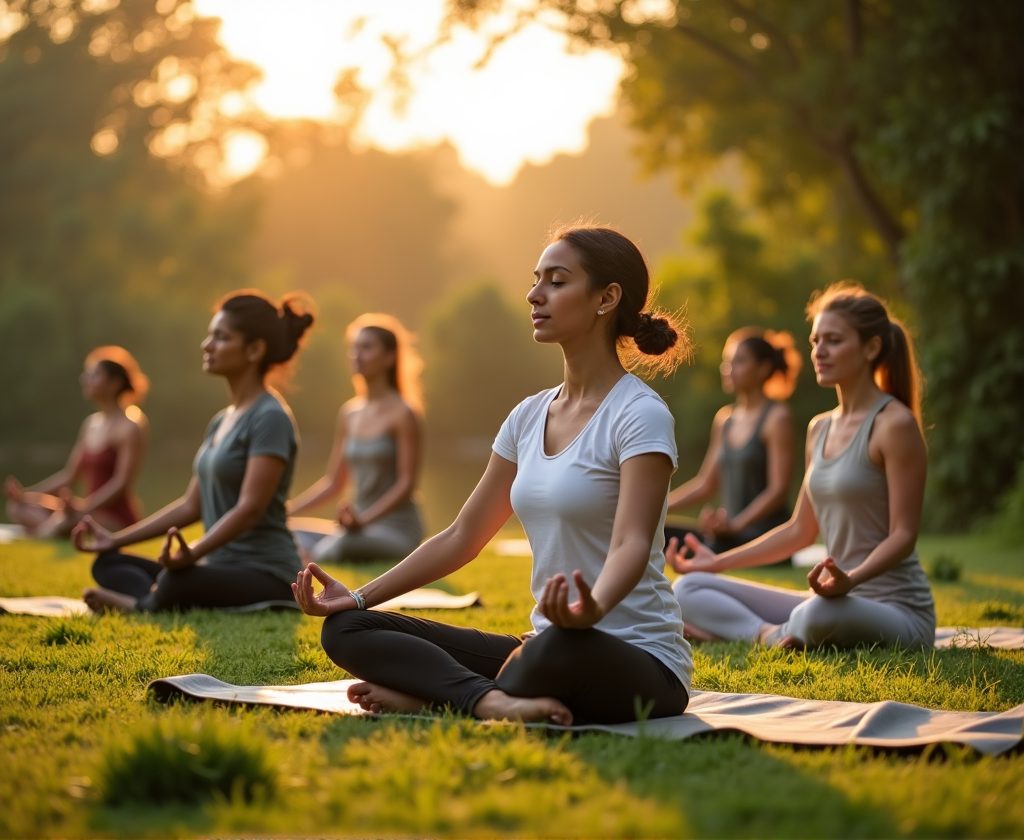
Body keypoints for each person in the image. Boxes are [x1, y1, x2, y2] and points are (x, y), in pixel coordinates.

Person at [293, 225, 693, 726]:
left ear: (606, 298)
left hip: (639, 660)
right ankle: (490, 701)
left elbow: (632, 543)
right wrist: (356, 596)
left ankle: (440, 698)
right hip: (547, 644)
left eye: (556, 281)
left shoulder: (639, 414)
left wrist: (593, 609)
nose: (534, 294)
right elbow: (462, 536)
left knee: (552, 653)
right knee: (348, 630)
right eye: (536, 279)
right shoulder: (528, 416)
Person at [670, 282, 935, 649]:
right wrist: (714, 562)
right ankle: (767, 635)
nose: (819, 352)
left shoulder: (894, 424)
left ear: (871, 347)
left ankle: (763, 631)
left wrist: (851, 580)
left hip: (895, 609)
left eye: (833, 340)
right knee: (687, 587)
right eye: (815, 341)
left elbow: (903, 536)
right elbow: (799, 531)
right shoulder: (819, 428)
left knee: (814, 615)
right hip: (834, 597)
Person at [72, 290, 314, 613]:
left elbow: (251, 508)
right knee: (108, 564)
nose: (207, 345)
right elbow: (190, 505)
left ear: (255, 349)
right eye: (210, 335)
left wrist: (194, 552)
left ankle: (141, 605)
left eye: (221, 337)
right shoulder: (221, 421)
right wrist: (116, 540)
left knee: (177, 581)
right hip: (217, 567)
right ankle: (153, 597)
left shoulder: (270, 417)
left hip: (266, 573)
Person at [289, 313, 425, 564]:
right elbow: (334, 482)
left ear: (389, 357)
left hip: (394, 530)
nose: (356, 355)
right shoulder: (349, 413)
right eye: (354, 348)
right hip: (354, 527)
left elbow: (406, 484)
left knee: (345, 544)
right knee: (288, 532)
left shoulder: (403, 414)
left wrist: (363, 520)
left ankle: (307, 559)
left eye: (366, 348)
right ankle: (304, 554)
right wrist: (287, 511)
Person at [665, 327, 800, 555]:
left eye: (739, 361)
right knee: (655, 532)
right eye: (727, 362)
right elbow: (705, 484)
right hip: (728, 535)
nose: (728, 369)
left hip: (763, 538)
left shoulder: (777, 418)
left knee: (707, 547)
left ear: (763, 368)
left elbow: (778, 491)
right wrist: (658, 507)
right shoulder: (724, 420)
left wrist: (735, 525)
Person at [5, 347, 149, 538]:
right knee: (18, 507)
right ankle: (53, 529)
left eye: (94, 375)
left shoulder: (130, 426)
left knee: (64, 521)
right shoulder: (90, 424)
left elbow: (121, 483)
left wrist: (83, 508)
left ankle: (49, 531)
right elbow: (69, 476)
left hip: (113, 517)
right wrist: (27, 494)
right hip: (85, 510)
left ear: (114, 383)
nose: (85, 379)